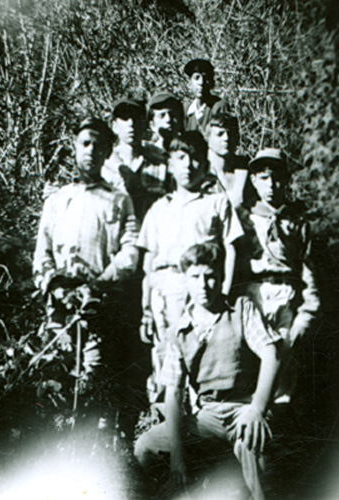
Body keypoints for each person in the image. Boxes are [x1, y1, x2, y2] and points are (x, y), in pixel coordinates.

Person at [134, 243, 280, 500]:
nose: (203, 285)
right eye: (195, 277)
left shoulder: (240, 309)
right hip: (206, 416)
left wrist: (257, 408)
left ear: (221, 277)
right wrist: (177, 458)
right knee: (146, 446)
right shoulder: (180, 330)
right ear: (186, 280)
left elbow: (272, 352)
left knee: (254, 449)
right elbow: (173, 394)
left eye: (210, 276)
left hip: (243, 409)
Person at [33, 116, 139, 404]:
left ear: (107, 152)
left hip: (100, 306)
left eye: (98, 146)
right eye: (85, 143)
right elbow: (42, 252)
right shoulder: (58, 200)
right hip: (59, 308)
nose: (91, 150)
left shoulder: (119, 199)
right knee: (56, 385)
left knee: (94, 388)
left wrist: (98, 285)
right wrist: (56, 287)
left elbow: (130, 252)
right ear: (75, 146)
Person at [137, 130, 243, 413]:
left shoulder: (217, 202)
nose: (188, 165)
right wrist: (146, 309)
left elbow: (231, 248)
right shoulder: (159, 208)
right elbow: (149, 262)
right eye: (181, 158)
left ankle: (201, 422)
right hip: (166, 290)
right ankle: (165, 424)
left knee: (201, 353)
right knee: (166, 357)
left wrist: (224, 291)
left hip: (203, 289)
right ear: (170, 164)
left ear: (205, 164)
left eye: (195, 158)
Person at [236, 148, 320, 404]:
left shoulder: (297, 221)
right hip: (254, 294)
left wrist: (307, 312)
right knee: (250, 364)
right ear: (253, 180)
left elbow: (308, 271)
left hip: (286, 296)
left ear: (287, 180)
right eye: (263, 178)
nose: (271, 185)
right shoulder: (244, 217)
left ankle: (277, 419)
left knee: (284, 363)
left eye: (277, 178)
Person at [102, 98, 169, 224]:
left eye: (136, 117)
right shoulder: (105, 165)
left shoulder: (161, 163)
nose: (131, 123)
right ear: (114, 126)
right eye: (125, 118)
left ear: (144, 124)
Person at [204, 100, 249, 207]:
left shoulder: (244, 169)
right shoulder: (201, 170)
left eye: (230, 133)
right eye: (220, 134)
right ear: (208, 138)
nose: (226, 138)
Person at [183, 58, 220, 132]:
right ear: (189, 83)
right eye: (197, 78)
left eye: (206, 78)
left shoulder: (218, 107)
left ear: (212, 82)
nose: (201, 82)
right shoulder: (186, 110)